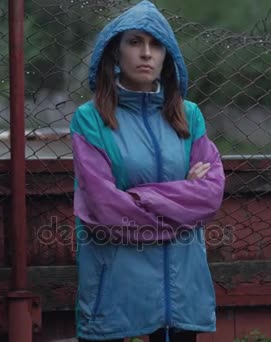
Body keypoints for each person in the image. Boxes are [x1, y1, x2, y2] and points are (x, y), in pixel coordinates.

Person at [70, 1, 225, 341]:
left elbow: (210, 195)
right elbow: (104, 208)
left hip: (181, 287)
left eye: (156, 45)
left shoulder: (189, 115)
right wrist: (181, 199)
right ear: (115, 51)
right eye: (135, 42)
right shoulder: (90, 119)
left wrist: (135, 197)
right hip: (116, 283)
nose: (145, 53)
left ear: (168, 55)